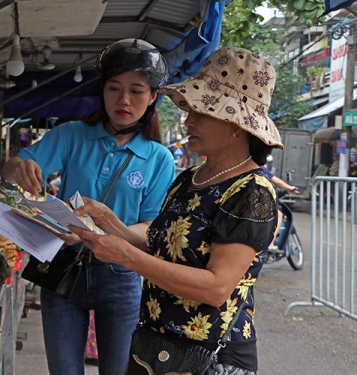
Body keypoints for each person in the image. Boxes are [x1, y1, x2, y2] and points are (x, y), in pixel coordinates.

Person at [68, 47, 282, 375]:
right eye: (190, 109)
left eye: (203, 112)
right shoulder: (189, 179)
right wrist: (109, 222)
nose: (188, 120)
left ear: (237, 125)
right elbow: (160, 249)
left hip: (206, 357)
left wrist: (125, 256)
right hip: (154, 347)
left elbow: (216, 287)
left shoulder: (252, 193)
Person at [2, 38, 176, 375]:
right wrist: (18, 168)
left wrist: (108, 229)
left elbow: (149, 228)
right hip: (64, 267)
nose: (123, 100)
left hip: (122, 275)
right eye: (114, 88)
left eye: (137, 90)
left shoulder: (159, 158)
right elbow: (12, 168)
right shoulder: (71, 135)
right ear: (103, 90)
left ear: (153, 96)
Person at [262, 155, 296, 250]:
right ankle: (270, 243)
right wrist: (289, 187)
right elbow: (277, 181)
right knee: (279, 215)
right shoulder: (259, 168)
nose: (269, 164)